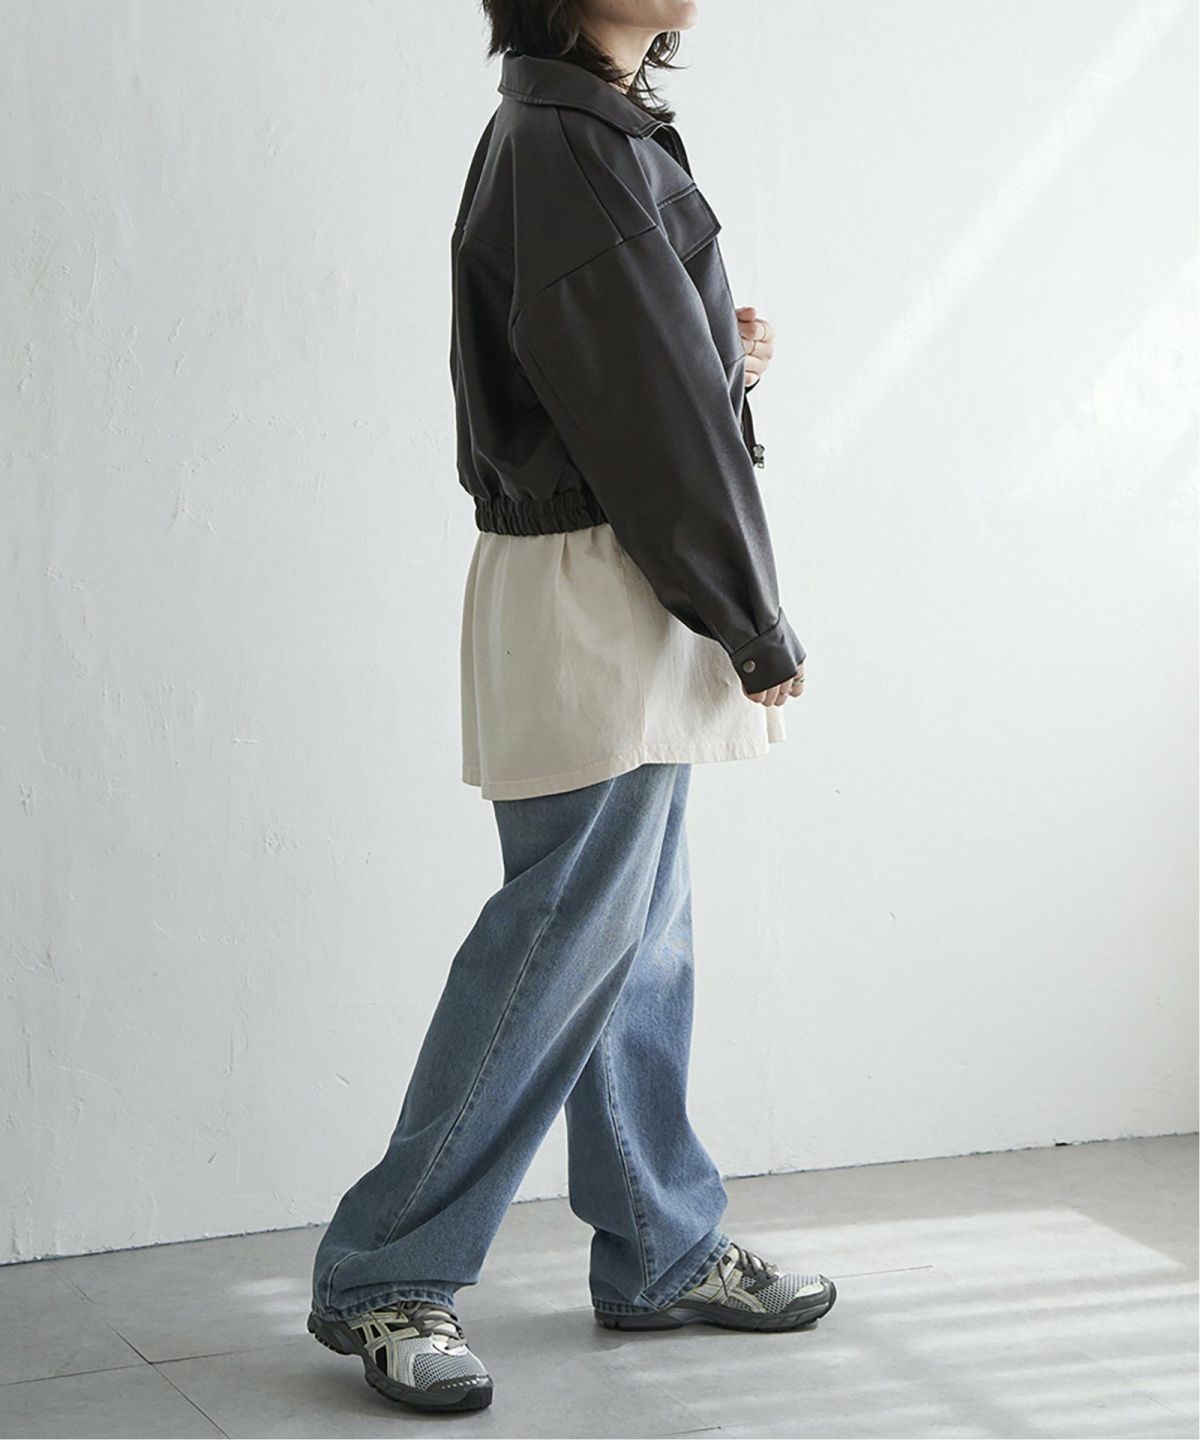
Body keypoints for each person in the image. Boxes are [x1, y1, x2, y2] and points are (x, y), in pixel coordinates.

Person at [307, 0, 834, 1413]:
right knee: (559, 945)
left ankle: (660, 1243)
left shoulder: (590, 127)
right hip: (602, 584)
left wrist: (722, 356)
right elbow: (647, 421)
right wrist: (752, 615)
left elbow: (627, 378)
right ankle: (384, 1271)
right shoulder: (567, 139)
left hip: (612, 576)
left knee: (636, 941)